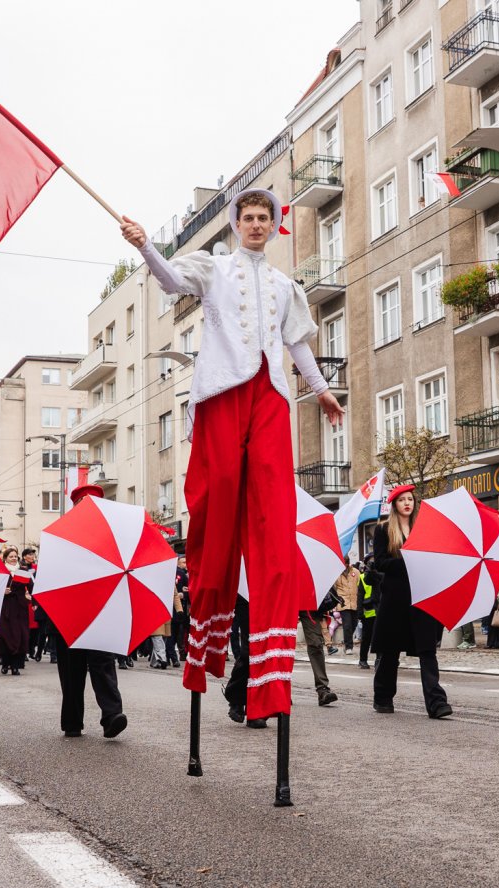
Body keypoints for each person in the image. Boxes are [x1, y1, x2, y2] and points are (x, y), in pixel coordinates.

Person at [123, 188, 344, 723]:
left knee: (272, 512)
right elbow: (173, 281)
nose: (255, 225)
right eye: (248, 218)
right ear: (235, 224)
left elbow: (297, 346)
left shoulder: (286, 285)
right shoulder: (215, 268)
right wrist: (146, 247)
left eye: (264, 218)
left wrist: (319, 390)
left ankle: (269, 666)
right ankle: (209, 633)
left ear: (274, 226)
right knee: (218, 497)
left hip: (268, 395)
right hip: (222, 392)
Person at [52, 479, 127, 739]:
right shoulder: (60, 536)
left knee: (103, 664)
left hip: (101, 612)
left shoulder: (113, 538)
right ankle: (72, 722)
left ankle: (112, 716)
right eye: (84, 503)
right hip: (67, 613)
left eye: (95, 502)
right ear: (75, 507)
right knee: (71, 672)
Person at [369, 485, 452, 719]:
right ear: (394, 505)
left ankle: (437, 703)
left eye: (410, 499)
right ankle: (383, 698)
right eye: (402, 500)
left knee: (427, 651)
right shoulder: (384, 529)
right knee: (389, 652)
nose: (408, 503)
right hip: (395, 599)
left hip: (420, 597)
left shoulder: (423, 529)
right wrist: (407, 559)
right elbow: (380, 563)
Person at [0, 547, 31, 675]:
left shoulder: (23, 571)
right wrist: (2, 592)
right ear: (5, 558)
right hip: (6, 607)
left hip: (20, 607)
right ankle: (5, 664)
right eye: (11, 556)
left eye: (15, 556)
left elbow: (30, 587)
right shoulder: (1, 571)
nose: (14, 558)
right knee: (6, 636)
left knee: (19, 635)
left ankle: (15, 666)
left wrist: (29, 596)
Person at [333, 564, 360, 654]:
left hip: (354, 601)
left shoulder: (355, 572)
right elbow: (334, 588)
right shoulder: (336, 573)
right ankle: (349, 647)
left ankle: (346, 640)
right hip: (343, 603)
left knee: (354, 624)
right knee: (347, 625)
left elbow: (359, 585)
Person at [357, 561, 377, 669]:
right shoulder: (362, 577)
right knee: (366, 638)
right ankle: (363, 660)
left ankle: (378, 660)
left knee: (379, 638)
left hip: (379, 611)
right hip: (368, 612)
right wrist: (359, 613)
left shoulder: (381, 574)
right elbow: (360, 596)